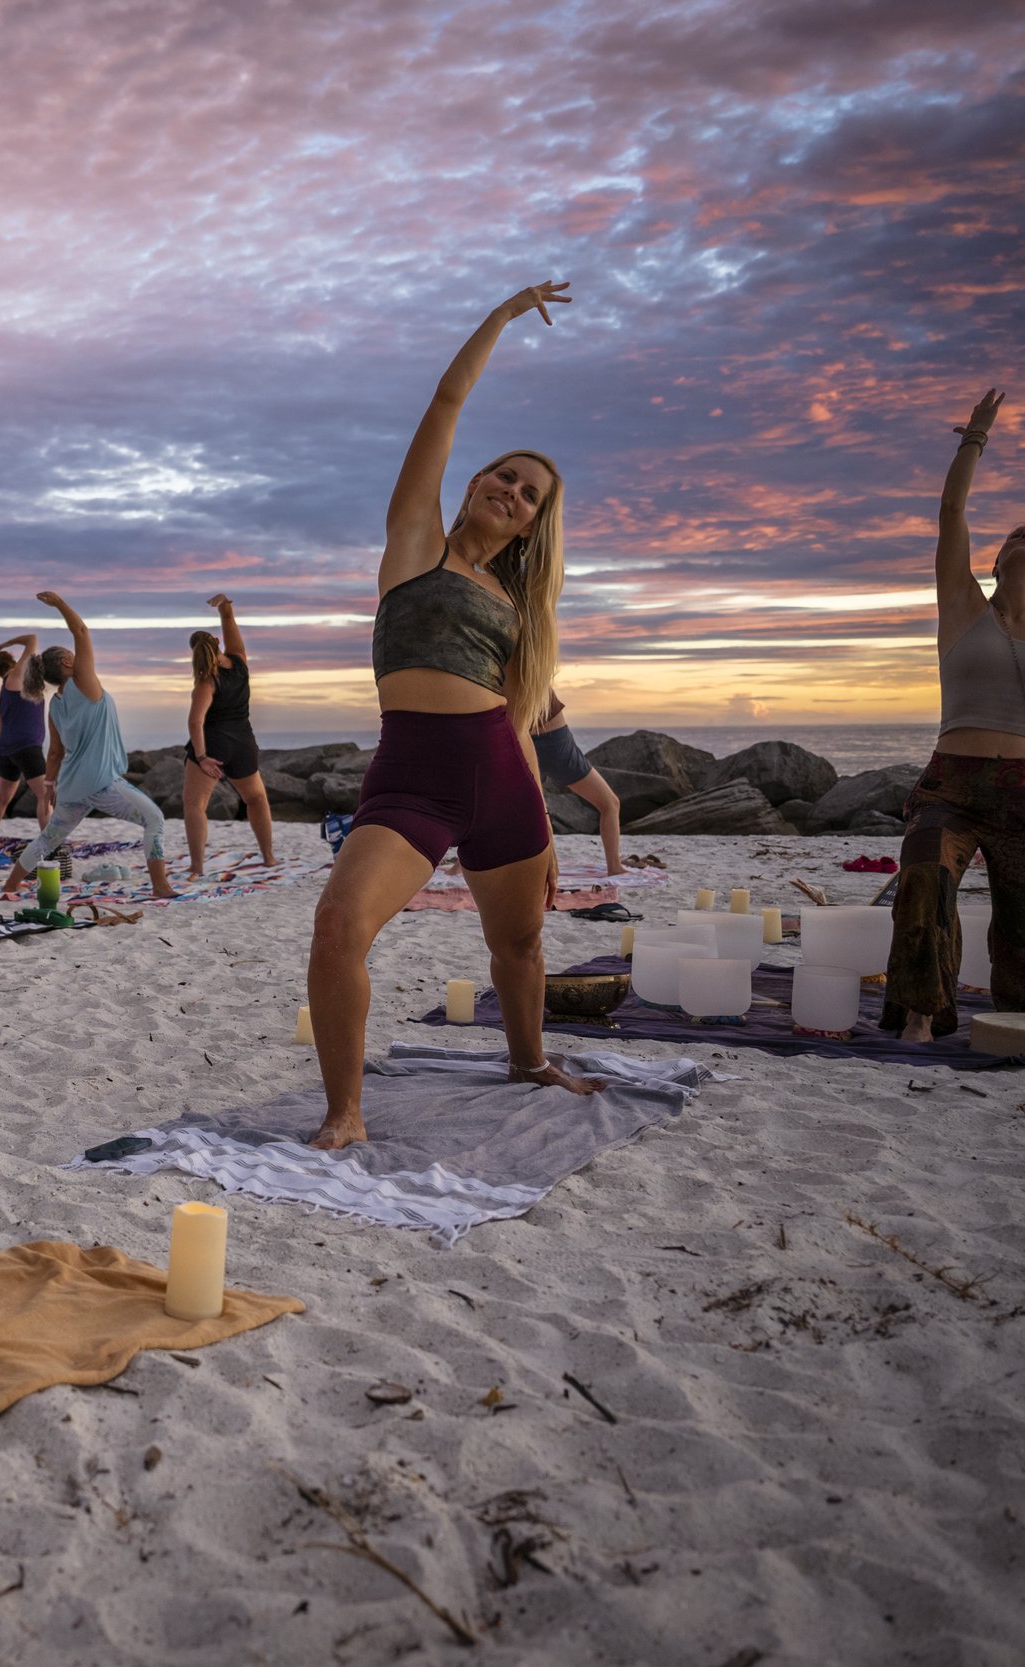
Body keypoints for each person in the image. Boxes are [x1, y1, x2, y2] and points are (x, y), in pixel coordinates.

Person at [306, 281, 597, 1148]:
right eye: (505, 475)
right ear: (473, 481)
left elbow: (519, 719)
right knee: (339, 924)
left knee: (521, 946)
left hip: (503, 782)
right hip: (413, 778)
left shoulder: (517, 606)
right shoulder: (415, 543)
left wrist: (543, 821)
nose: (513, 490)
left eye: (530, 494)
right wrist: (504, 315)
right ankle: (345, 1113)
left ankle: (528, 1062)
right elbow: (445, 401)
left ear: (533, 526)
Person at [884, 388, 1025, 1042]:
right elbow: (951, 511)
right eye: (1016, 534)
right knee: (924, 878)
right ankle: (922, 1013)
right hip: (953, 782)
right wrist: (974, 439)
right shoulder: (963, 605)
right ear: (998, 559)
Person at [3, 592, 176, 899]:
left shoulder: (55, 704)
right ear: (68, 663)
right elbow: (81, 631)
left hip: (72, 786)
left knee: (49, 838)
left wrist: (49, 786)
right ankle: (161, 886)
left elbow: (55, 753)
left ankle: (11, 884)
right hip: (102, 781)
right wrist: (60, 605)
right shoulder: (84, 685)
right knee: (155, 819)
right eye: (74, 656)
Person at [182, 594, 277, 877]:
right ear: (217, 642)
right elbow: (228, 620)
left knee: (195, 806)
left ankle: (197, 866)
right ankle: (269, 858)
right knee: (257, 799)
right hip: (244, 742)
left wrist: (202, 757)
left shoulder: (206, 681)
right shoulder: (240, 663)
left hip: (215, 743)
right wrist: (225, 605)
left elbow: (195, 721)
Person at [531, 692, 622, 874]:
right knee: (610, 804)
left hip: (525, 740)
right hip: (556, 744)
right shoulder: (531, 677)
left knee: (529, 814)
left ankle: (539, 871)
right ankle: (614, 867)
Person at [0, 634, 55, 840]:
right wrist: (7, 644)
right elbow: (32, 639)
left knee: (2, 798)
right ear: (13, 664)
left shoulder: (4, 692)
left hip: (5, 749)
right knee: (45, 795)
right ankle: (50, 842)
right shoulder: (16, 675)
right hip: (26, 748)